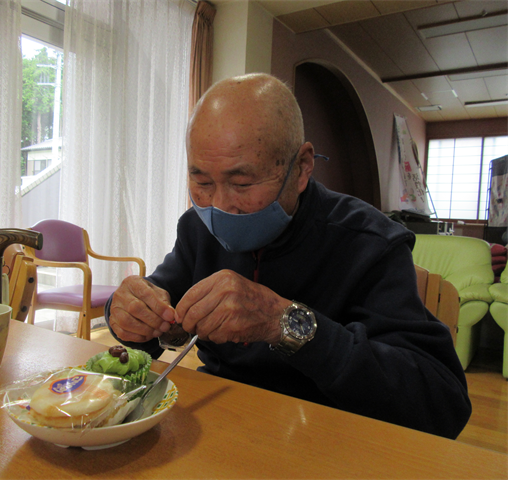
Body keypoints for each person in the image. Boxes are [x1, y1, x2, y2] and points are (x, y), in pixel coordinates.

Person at [105, 73, 471, 439]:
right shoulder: (198, 228)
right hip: (220, 422)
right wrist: (131, 313)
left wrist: (284, 322)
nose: (219, 206)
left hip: (331, 436)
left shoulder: (370, 243)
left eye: (242, 183)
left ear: (302, 168)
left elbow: (442, 403)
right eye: (202, 183)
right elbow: (162, 311)